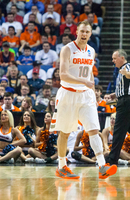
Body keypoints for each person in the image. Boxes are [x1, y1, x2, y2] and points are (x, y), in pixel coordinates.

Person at [49, 21, 117, 179]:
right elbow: (63, 75)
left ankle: (101, 166)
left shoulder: (91, 51)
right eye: (82, 31)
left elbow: (90, 75)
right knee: (65, 133)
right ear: (77, 32)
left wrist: (92, 94)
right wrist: (83, 82)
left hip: (86, 95)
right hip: (68, 94)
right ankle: (62, 166)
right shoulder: (67, 49)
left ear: (91, 33)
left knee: (94, 130)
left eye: (87, 31)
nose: (84, 34)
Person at [0, 96, 26, 164]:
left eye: (5, 115)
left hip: (8, 153)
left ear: (9, 117)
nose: (3, 116)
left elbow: (23, 140)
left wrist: (12, 144)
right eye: (2, 115)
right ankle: (4, 160)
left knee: (19, 149)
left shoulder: (13, 130)